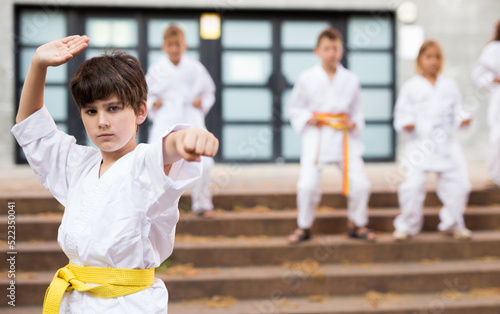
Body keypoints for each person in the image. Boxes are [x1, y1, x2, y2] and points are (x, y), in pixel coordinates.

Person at [11, 35, 218, 313]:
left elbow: (166, 151)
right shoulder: (78, 164)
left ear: (140, 111)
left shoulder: (143, 163)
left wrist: (185, 140)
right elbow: (32, 126)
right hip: (74, 300)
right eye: (91, 111)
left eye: (113, 108)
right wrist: (38, 64)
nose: (102, 122)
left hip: (127, 303)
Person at [287, 27, 375, 244]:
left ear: (341, 50)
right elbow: (295, 107)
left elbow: (357, 110)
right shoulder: (307, 77)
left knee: (361, 183)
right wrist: (308, 117)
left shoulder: (351, 79)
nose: (332, 53)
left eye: (335, 48)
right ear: (317, 51)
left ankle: (357, 223)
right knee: (306, 185)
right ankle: (304, 226)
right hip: (317, 135)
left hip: (344, 137)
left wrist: (354, 122)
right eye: (327, 48)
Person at [393, 40, 472, 241]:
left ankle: (453, 224)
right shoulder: (411, 86)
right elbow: (401, 114)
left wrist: (463, 118)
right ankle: (407, 225)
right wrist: (408, 124)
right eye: (429, 57)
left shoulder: (449, 84)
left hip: (446, 142)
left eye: (437, 57)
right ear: (420, 59)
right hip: (420, 142)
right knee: (411, 186)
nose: (433, 62)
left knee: (460, 185)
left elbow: (458, 109)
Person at [146, 24, 216, 217]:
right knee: (157, 161)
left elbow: (209, 92)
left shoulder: (195, 68)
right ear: (164, 46)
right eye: (170, 44)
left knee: (205, 162)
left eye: (178, 44)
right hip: (165, 119)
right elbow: (145, 96)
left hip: (190, 117)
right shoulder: (156, 69)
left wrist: (201, 102)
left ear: (184, 45)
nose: (174, 48)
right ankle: (157, 207)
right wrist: (154, 103)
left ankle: (202, 204)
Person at [472, 19, 500, 190]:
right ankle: (495, 175)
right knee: (498, 138)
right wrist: (495, 79)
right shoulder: (493, 49)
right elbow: (478, 75)